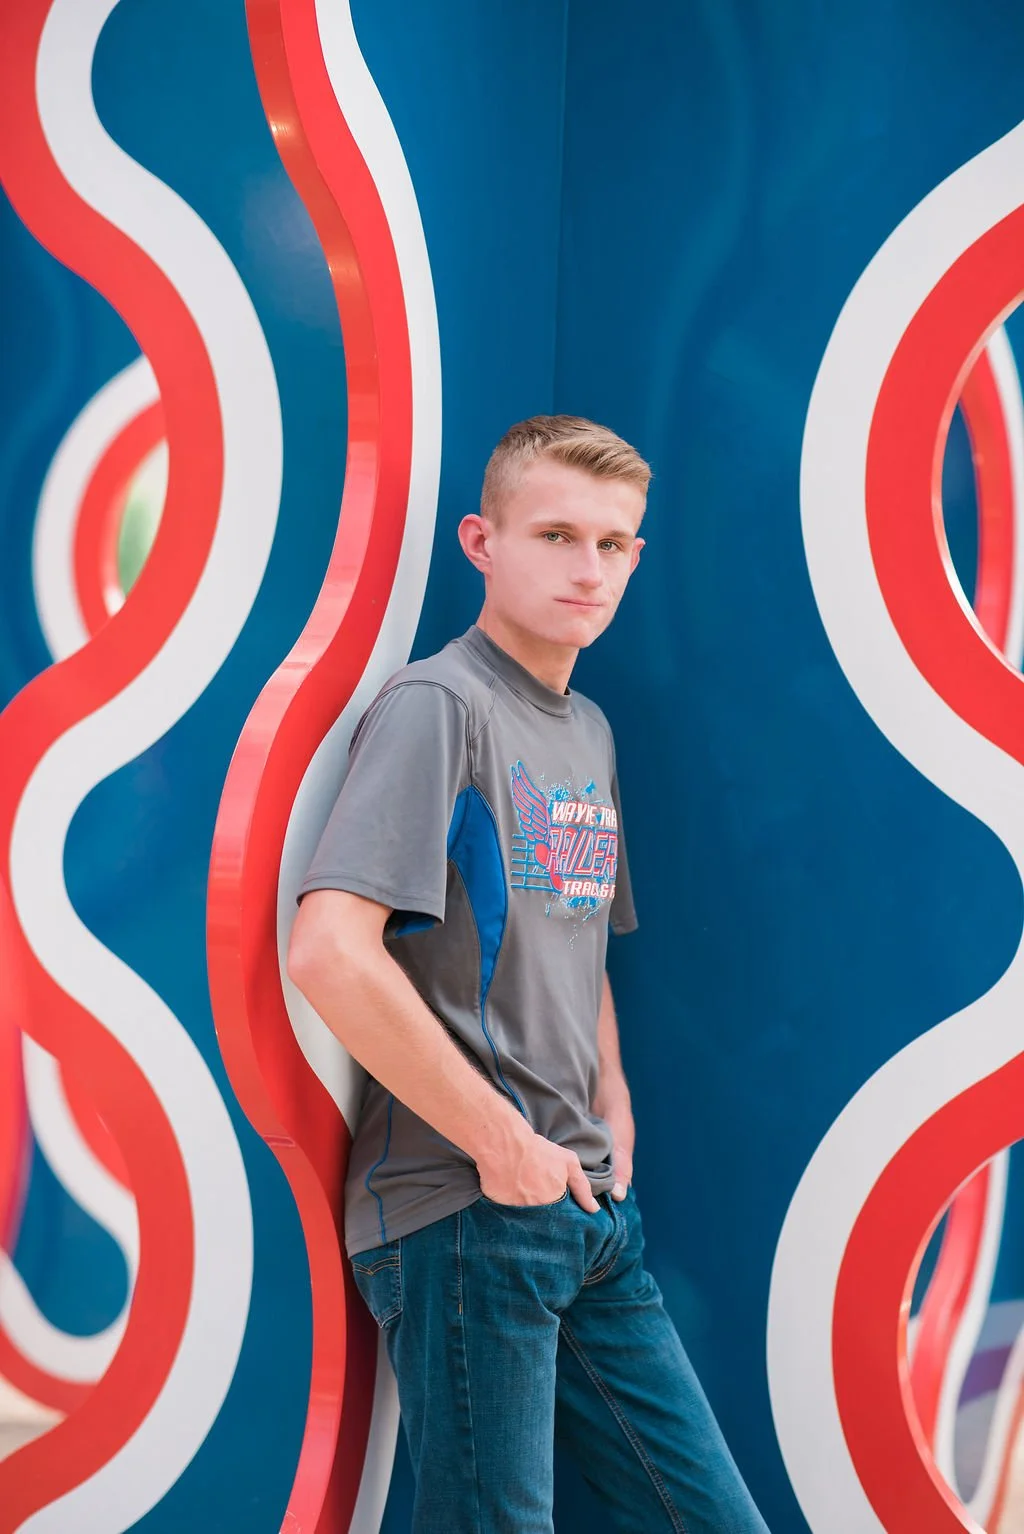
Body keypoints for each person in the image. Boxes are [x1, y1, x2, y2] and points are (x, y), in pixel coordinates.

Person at [288, 416, 769, 1534]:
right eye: (556, 533)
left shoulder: (587, 728)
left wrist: (612, 1112)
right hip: (467, 1212)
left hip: (586, 1203)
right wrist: (499, 1142)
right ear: (481, 541)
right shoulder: (439, 705)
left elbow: (581, 931)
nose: (586, 567)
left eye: (613, 543)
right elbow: (329, 949)